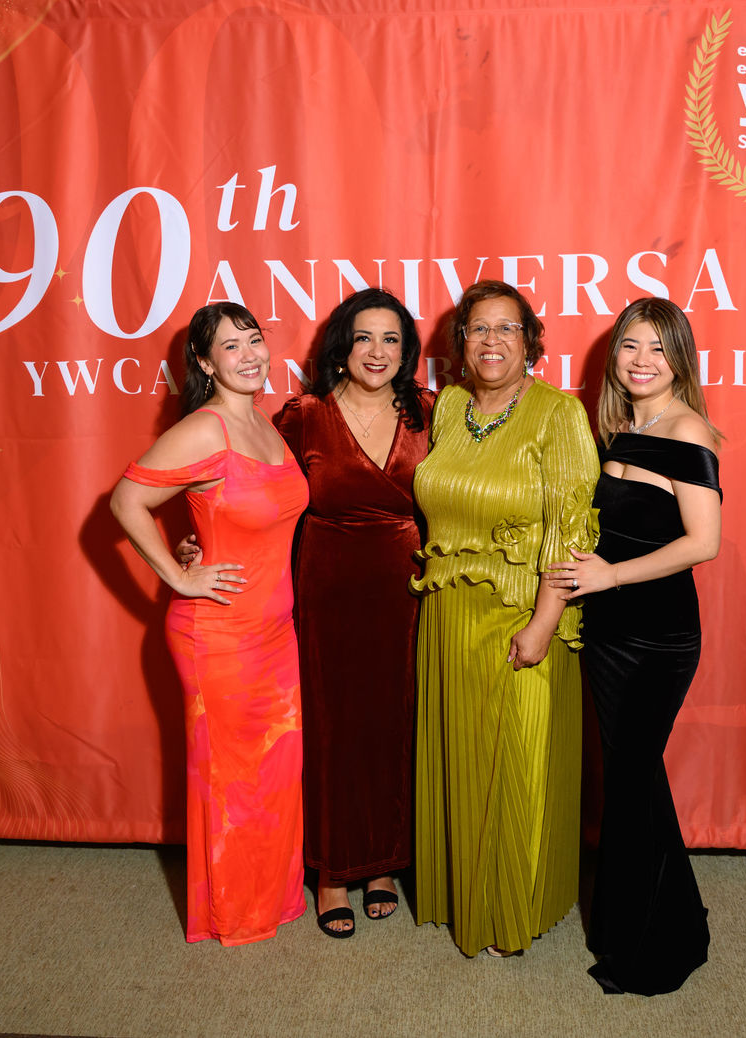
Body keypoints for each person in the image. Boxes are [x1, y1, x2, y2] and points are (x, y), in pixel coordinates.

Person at [410, 279, 600, 957]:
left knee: (517, 764)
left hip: (523, 611)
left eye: (507, 328)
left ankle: (509, 911)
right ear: (461, 343)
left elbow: (571, 531)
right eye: (479, 328)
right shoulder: (449, 406)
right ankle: (461, 894)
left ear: (531, 342)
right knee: (461, 760)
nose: (492, 341)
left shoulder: (558, 414)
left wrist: (544, 622)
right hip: (447, 611)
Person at [110, 302, 308, 946]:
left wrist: (198, 540)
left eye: (255, 340)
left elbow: (237, 514)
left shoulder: (266, 424)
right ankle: (235, 914)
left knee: (274, 771)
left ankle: (271, 899)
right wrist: (178, 574)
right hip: (218, 636)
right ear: (204, 362)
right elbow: (126, 500)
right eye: (231, 346)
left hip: (275, 632)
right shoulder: (205, 429)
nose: (250, 355)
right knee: (232, 779)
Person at [547, 297, 723, 994]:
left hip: (658, 637)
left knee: (629, 783)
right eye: (630, 346)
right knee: (634, 782)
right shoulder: (621, 429)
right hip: (608, 631)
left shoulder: (688, 430)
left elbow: (703, 543)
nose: (642, 360)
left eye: (658, 347)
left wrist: (612, 575)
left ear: (680, 358)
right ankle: (667, 923)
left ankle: (650, 952)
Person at [275, 288, 433, 937]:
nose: (377, 351)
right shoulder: (305, 415)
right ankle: (333, 871)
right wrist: (200, 543)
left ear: (406, 351)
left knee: (395, 721)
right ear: (342, 346)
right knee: (332, 727)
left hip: (407, 588)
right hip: (328, 585)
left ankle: (384, 864)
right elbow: (259, 493)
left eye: (391, 339)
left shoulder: (428, 411)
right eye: (364, 337)